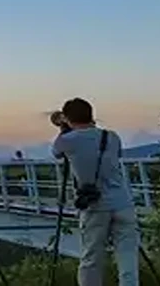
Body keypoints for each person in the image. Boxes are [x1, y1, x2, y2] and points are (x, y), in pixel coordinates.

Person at [51, 97, 140, 286]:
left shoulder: (67, 141)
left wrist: (62, 127)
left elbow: (56, 152)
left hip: (94, 205)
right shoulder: (112, 136)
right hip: (122, 202)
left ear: (67, 118)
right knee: (127, 257)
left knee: (91, 259)